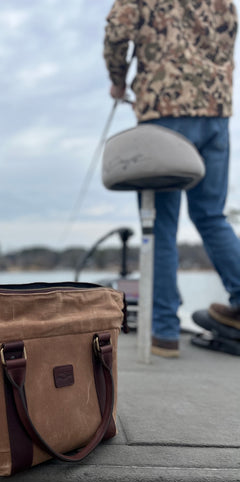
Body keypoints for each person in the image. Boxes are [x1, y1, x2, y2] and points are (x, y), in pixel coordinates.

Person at [103, 0, 240, 357]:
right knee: (211, 215)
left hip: (165, 111)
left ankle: (163, 330)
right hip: (215, 115)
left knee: (160, 223)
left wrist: (118, 82)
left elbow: (117, 32)